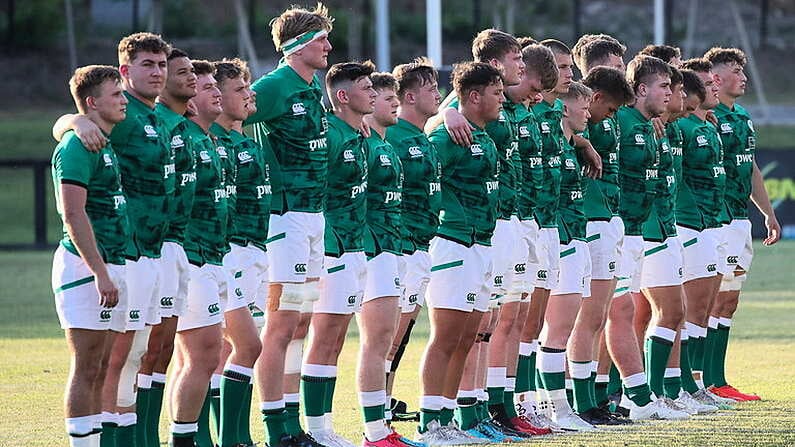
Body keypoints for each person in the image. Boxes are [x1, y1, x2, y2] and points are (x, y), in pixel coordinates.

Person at [52, 32, 174, 446]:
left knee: (117, 361)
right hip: (100, 262)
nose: (122, 99)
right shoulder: (84, 138)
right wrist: (75, 120)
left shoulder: (136, 124)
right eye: (148, 65)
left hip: (134, 255)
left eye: (163, 64)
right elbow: (72, 212)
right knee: (98, 363)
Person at [245, 5, 333, 447]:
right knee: (280, 325)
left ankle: (292, 424)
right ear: (297, 45)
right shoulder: (275, 86)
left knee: (301, 323)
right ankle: (274, 427)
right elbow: (228, 116)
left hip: (312, 217)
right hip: (285, 219)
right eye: (320, 40)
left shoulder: (311, 85)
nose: (328, 48)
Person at [417, 61, 502, 445]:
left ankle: (447, 418)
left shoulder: (485, 136)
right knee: (446, 337)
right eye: (496, 93)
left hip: (481, 244)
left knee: (468, 337)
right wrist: (444, 115)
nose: (501, 99)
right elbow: (423, 175)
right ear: (474, 96)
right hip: (453, 243)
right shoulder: (448, 136)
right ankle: (429, 421)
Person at [52, 65, 130, 447]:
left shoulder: (103, 139)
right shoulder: (76, 144)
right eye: (116, 94)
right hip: (85, 267)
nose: (123, 99)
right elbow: (72, 213)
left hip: (111, 262)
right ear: (91, 103)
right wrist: (99, 272)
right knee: (86, 366)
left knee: (102, 366)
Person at [611, 55, 688, 421]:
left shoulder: (648, 125)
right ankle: (631, 395)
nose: (671, 93)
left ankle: (640, 395)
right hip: (620, 231)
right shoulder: (620, 122)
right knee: (618, 314)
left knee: (632, 313)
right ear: (641, 89)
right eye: (664, 86)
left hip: (639, 231)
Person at [302, 61, 374, 447]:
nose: (374, 93)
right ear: (343, 96)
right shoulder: (328, 135)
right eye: (366, 87)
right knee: (323, 336)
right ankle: (314, 428)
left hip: (355, 245)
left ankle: (325, 427)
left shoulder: (357, 133)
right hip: (332, 249)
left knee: (335, 340)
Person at [704, 47, 780, 402]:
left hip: (737, 220)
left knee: (728, 302)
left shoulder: (743, 117)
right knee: (707, 302)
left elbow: (749, 169)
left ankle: (716, 379)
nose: (744, 76)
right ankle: (702, 380)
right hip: (710, 222)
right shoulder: (703, 116)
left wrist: (767, 212)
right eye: (736, 70)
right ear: (716, 78)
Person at [167, 60, 230, 447]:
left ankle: (188, 435)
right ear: (190, 103)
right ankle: (184, 440)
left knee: (192, 356)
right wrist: (74, 122)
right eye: (207, 88)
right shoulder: (180, 136)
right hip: (189, 257)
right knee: (203, 355)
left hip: (214, 255)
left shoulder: (210, 138)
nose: (214, 92)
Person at [137, 47, 198, 447]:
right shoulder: (149, 119)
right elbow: (74, 122)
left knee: (161, 349)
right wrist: (71, 121)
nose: (190, 78)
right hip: (150, 246)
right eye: (183, 72)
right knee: (142, 349)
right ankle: (136, 436)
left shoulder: (183, 126)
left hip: (181, 246)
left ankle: (149, 436)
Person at [569, 66, 634, 426]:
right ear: (594, 99)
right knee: (588, 317)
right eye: (609, 109)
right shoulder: (575, 120)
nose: (612, 117)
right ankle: (581, 402)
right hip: (588, 220)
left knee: (595, 317)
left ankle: (591, 398)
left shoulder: (596, 124)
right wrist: (583, 141)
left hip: (605, 217)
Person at [211, 58, 270, 447]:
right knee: (243, 346)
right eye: (239, 89)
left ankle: (232, 435)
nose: (250, 94)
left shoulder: (247, 140)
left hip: (254, 250)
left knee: (227, 350)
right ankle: (229, 437)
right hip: (226, 251)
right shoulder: (211, 141)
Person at [384, 57, 442, 425]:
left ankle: (385, 399)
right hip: (401, 247)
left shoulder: (424, 135)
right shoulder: (394, 137)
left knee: (402, 335)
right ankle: (377, 408)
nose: (438, 94)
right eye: (430, 87)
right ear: (408, 96)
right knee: (389, 336)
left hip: (422, 246)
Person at [676, 57, 734, 409]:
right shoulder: (682, 128)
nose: (715, 87)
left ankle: (696, 382)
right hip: (689, 223)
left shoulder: (709, 126)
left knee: (706, 307)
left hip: (712, 223)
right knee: (689, 309)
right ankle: (684, 383)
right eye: (708, 84)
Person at [357, 71, 411, 447]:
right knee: (376, 340)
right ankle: (374, 431)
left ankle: (381, 426)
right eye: (385, 96)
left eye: (396, 96)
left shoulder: (385, 143)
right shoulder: (359, 142)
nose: (395, 102)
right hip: (365, 249)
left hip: (389, 248)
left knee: (386, 338)